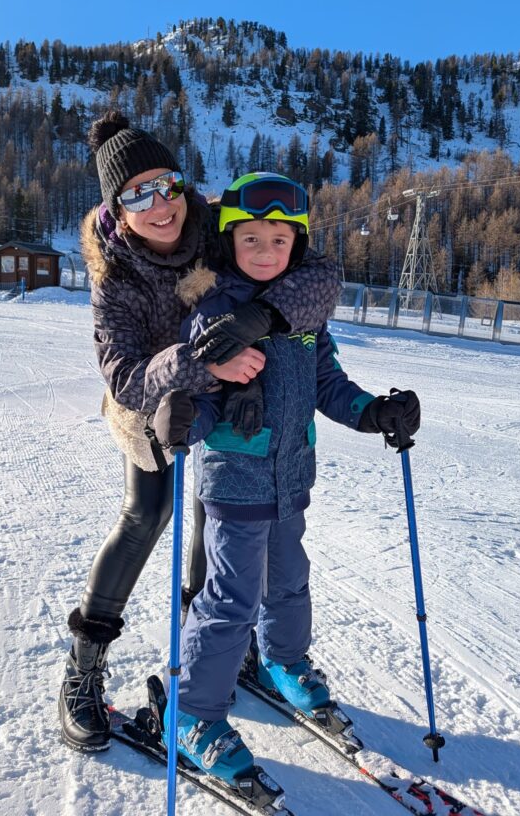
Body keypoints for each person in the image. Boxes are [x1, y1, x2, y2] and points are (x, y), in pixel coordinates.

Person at [58, 114, 342, 754]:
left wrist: (259, 317)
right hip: (154, 403)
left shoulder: (214, 223)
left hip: (237, 390)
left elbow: (318, 274)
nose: (160, 205)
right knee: (148, 514)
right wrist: (205, 362)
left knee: (216, 520)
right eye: (138, 195)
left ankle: (207, 658)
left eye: (167, 185)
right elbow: (126, 376)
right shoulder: (114, 276)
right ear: (117, 209)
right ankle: (83, 668)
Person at [151, 172, 421, 787]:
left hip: (291, 478)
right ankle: (191, 715)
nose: (266, 251)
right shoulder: (214, 311)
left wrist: (375, 413)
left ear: (296, 244)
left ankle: (283, 661)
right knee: (230, 601)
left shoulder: (303, 313)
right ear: (229, 242)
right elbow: (202, 395)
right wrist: (184, 418)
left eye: (279, 239)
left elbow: (328, 384)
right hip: (234, 482)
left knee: (290, 582)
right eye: (251, 239)